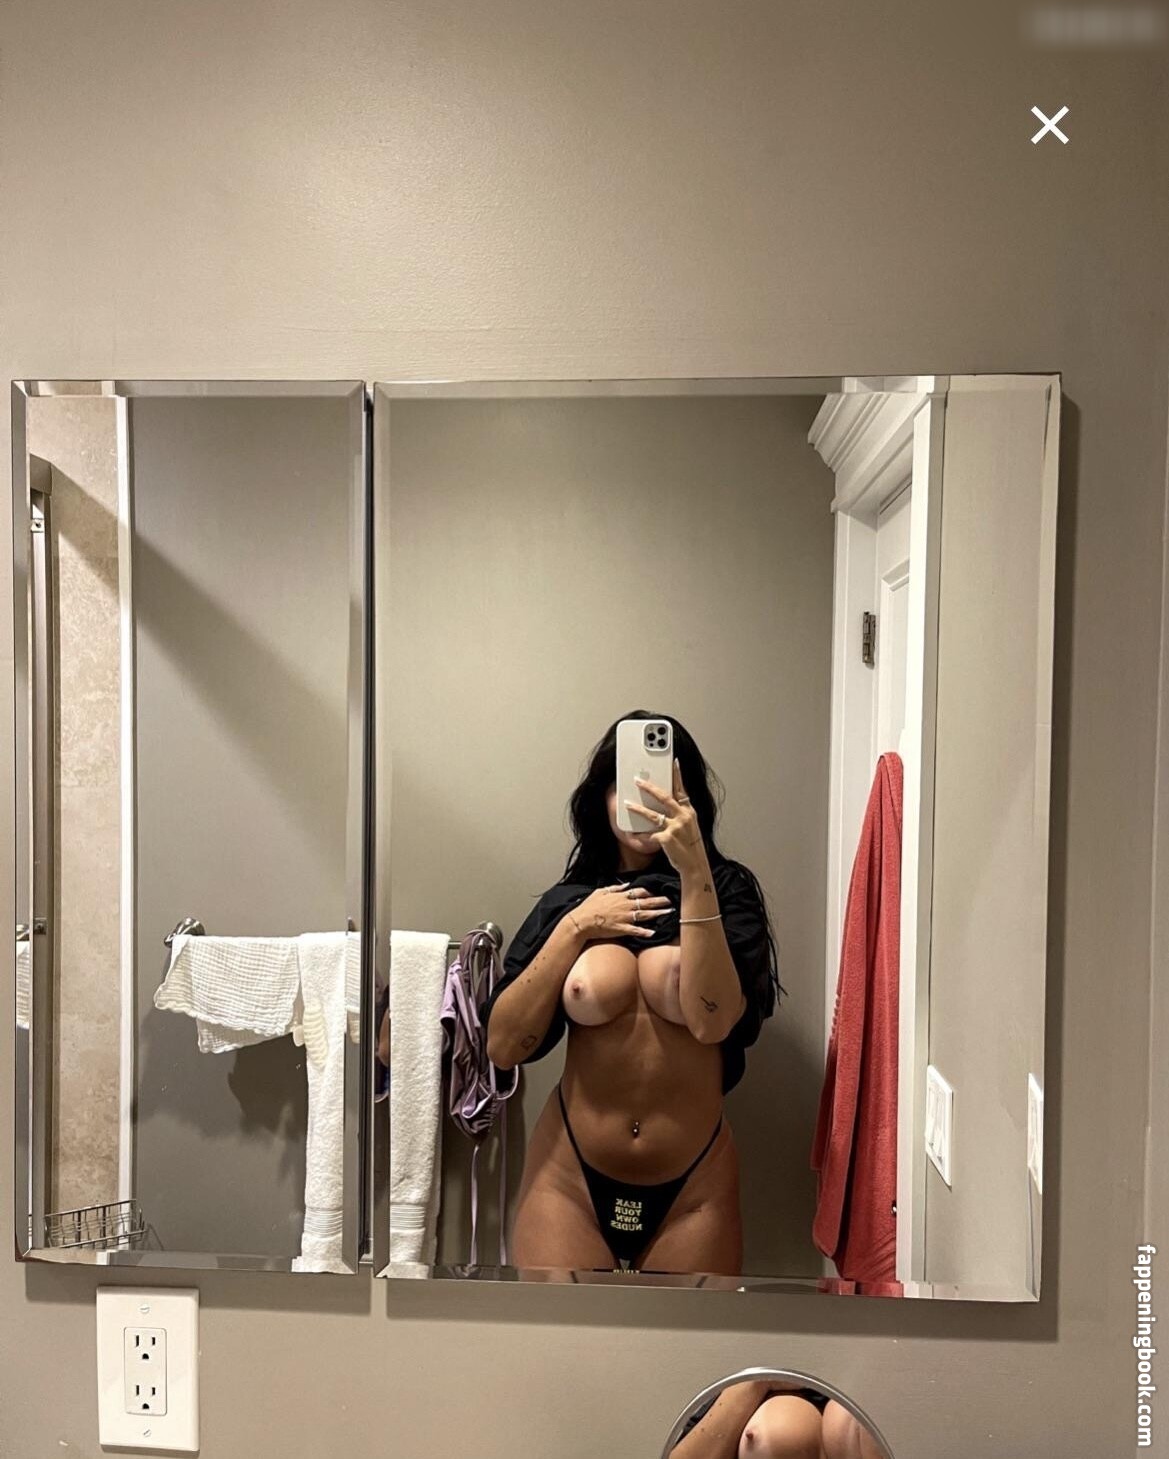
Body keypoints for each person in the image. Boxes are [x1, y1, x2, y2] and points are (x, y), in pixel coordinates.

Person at [484, 711, 779, 1274]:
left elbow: (713, 1021)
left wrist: (695, 873)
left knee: (685, 1337)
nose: (642, 798)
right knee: (555, 1334)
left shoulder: (726, 892)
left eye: (658, 783)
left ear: (687, 796)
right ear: (601, 797)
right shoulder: (570, 901)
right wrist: (577, 926)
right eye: (625, 782)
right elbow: (501, 1047)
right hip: (568, 1178)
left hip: (694, 1189)